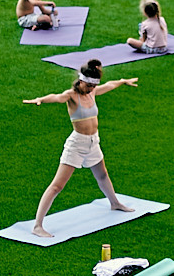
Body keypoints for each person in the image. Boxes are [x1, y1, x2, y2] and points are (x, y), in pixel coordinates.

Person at [21, 60, 138, 238]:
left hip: (93, 141)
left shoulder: (93, 92)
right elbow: (57, 97)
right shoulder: (72, 95)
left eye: (93, 86)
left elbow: (109, 85)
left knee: (103, 175)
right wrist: (41, 100)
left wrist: (122, 81)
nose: (91, 88)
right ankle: (37, 225)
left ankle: (115, 203)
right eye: (89, 85)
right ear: (81, 80)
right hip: (77, 145)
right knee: (57, 186)